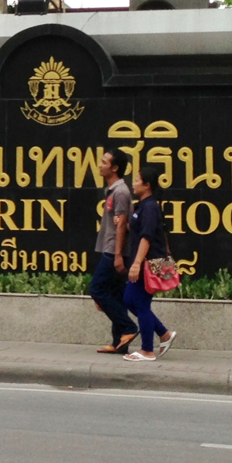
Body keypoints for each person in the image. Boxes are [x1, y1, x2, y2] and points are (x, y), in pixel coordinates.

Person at [121, 163, 179, 361]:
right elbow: (139, 230)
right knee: (130, 300)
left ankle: (147, 350)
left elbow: (146, 238)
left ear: (147, 185)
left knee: (141, 304)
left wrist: (137, 264)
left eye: (137, 180)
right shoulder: (143, 206)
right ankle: (164, 333)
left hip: (147, 264)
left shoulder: (151, 207)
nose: (133, 183)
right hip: (142, 262)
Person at [89, 150, 138, 353]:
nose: (100, 165)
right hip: (110, 247)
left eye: (104, 162)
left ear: (115, 167)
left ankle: (128, 327)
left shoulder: (120, 192)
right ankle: (120, 342)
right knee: (117, 294)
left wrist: (118, 255)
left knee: (97, 289)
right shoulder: (112, 190)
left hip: (113, 250)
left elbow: (121, 225)